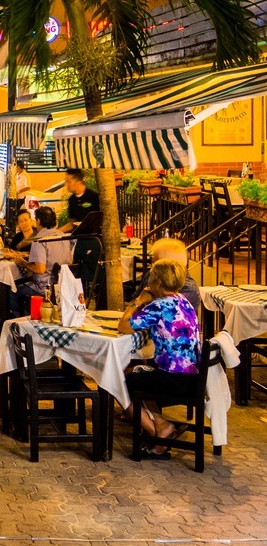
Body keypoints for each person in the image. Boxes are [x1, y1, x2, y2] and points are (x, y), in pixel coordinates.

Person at [118, 258, 201, 458]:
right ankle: (161, 424)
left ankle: (157, 437)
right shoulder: (183, 300)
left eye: (152, 278)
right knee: (139, 373)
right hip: (193, 379)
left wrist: (138, 301)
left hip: (172, 380)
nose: (148, 282)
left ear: (159, 284)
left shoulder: (159, 305)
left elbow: (123, 326)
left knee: (118, 384)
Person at [10, 205, 73, 316]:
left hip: (44, 288)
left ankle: (21, 322)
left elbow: (40, 269)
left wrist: (23, 263)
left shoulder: (40, 240)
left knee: (13, 291)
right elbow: (70, 262)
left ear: (38, 221)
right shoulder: (64, 237)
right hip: (62, 285)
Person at [128, 237, 201, 310]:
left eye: (155, 262)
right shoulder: (152, 274)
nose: (152, 266)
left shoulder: (188, 289)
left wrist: (140, 302)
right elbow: (134, 299)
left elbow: (161, 313)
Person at [60, 168, 101, 233]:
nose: (66, 184)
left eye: (69, 181)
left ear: (78, 182)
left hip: (94, 236)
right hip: (79, 237)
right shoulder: (72, 200)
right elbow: (72, 223)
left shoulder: (94, 196)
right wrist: (57, 232)